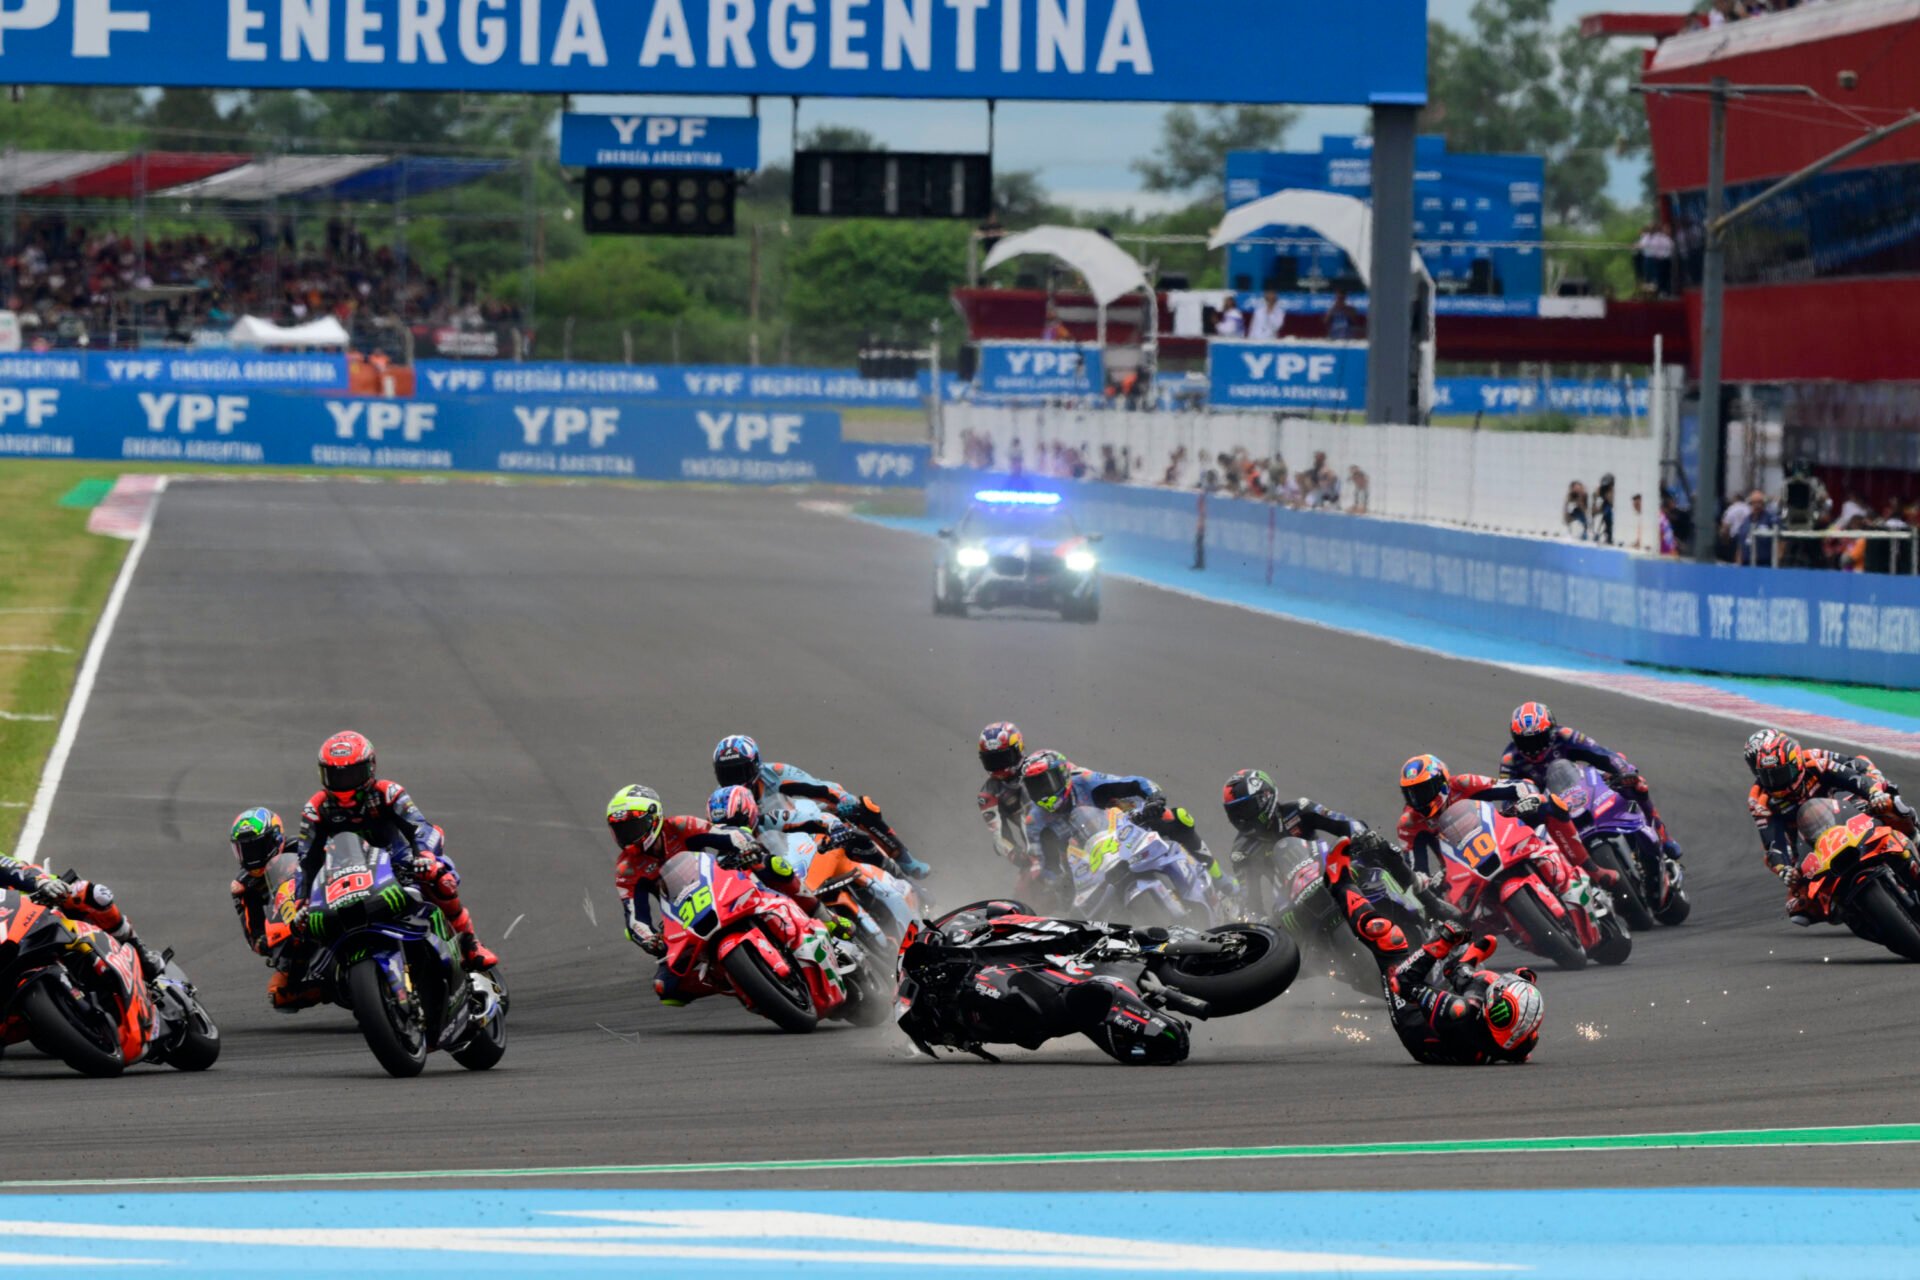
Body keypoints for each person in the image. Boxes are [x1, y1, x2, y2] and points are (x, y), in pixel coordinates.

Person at [293, 730, 498, 971]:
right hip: (345, 874)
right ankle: (310, 973)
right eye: (336, 776)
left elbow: (419, 827)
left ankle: (469, 942)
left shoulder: (388, 792)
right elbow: (306, 859)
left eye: (351, 774)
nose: (344, 782)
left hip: (397, 862)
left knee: (441, 880)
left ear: (370, 768)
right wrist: (302, 900)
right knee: (306, 923)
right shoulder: (315, 808)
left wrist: (425, 856)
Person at [1324, 843, 1543, 1065]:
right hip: (1469, 1031)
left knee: (1388, 938)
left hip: (1417, 1027)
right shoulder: (1522, 1041)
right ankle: (1460, 967)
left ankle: (1338, 882)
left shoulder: (1459, 1012)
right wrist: (1482, 971)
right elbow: (1522, 1044)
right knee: (1485, 979)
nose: (1496, 1005)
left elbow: (1403, 982)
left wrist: (1438, 946)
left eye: (1499, 1014)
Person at [604, 783, 806, 1006]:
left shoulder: (680, 825)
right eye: (620, 830)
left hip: (717, 883)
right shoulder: (626, 869)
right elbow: (635, 919)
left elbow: (726, 834)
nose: (627, 836)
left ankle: (823, 916)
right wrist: (649, 939)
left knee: (773, 866)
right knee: (666, 987)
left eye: (632, 827)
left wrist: (747, 846)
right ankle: (736, 978)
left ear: (654, 818)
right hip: (683, 914)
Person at [1221, 768, 1449, 917]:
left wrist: (1361, 836)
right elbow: (1250, 899)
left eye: (1245, 809)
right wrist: (1257, 920)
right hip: (1291, 902)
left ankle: (1430, 904)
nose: (1241, 819)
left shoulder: (1300, 809)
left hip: (1330, 873)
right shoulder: (1242, 852)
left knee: (1381, 849)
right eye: (1235, 813)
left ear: (1265, 798)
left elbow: (1345, 823)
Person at [1395, 754, 1620, 901]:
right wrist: (1424, 879)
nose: (1418, 799)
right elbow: (1416, 867)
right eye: (1411, 794)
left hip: (1497, 838)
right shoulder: (1409, 823)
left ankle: (1591, 869)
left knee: (1551, 804)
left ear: (1442, 782)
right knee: (1438, 910)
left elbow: (1513, 786)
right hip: (1462, 871)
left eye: (1423, 790)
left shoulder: (1462, 784)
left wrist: (1526, 797)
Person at [1743, 731, 1914, 918]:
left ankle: (1914, 838)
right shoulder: (1759, 800)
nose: (1774, 782)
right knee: (1799, 906)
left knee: (1891, 806)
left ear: (1796, 764)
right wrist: (1784, 869)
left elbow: (1854, 776)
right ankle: (1844, 906)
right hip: (1805, 837)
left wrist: (1875, 792)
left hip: (1844, 807)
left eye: (1779, 774)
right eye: (1767, 776)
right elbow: (1772, 841)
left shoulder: (1816, 762)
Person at [710, 734, 929, 878]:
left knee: (863, 807)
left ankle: (904, 862)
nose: (735, 780)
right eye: (727, 774)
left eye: (741, 771)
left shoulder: (775, 773)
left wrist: (844, 800)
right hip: (769, 851)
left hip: (804, 823)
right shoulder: (722, 801)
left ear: (756, 765)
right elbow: (722, 838)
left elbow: (822, 788)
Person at [1499, 702, 1683, 861]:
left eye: (1539, 739)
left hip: (1581, 783)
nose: (1534, 748)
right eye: (1526, 742)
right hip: (1549, 803)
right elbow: (1507, 798)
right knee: (1531, 841)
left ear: (1551, 731)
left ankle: (1664, 837)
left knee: (1637, 785)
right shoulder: (1510, 759)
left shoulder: (1565, 735)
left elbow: (1600, 753)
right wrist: (1520, 809)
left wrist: (1625, 770)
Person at [1018, 749, 1218, 887]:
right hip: (1083, 867)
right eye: (1035, 788)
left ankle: (1221, 881)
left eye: (1046, 783)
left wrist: (1154, 798)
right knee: (1059, 901)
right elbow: (1044, 865)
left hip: (1125, 831)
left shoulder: (1085, 780)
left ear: (1063, 775)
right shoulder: (1034, 822)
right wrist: (1055, 881)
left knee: (1176, 817)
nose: (1043, 793)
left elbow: (1136, 783)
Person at [226, 806, 330, 1010]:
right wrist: (264, 942)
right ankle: (331, 988)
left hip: (324, 902)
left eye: (257, 847)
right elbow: (253, 932)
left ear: (275, 839)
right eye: (244, 850)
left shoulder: (302, 846)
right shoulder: (244, 885)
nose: (251, 856)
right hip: (291, 929)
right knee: (279, 995)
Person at [1, 852, 165, 980]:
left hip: (31, 912)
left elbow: (16, 868)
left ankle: (139, 951)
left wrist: (42, 882)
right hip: (8, 947)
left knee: (89, 894)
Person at [976, 721, 1030, 864]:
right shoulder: (988, 795)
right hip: (1036, 843)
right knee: (1028, 878)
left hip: (1069, 820)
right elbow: (999, 836)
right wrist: (1016, 855)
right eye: (992, 761)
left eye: (1003, 758)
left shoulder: (1041, 765)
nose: (998, 766)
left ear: (1018, 749)